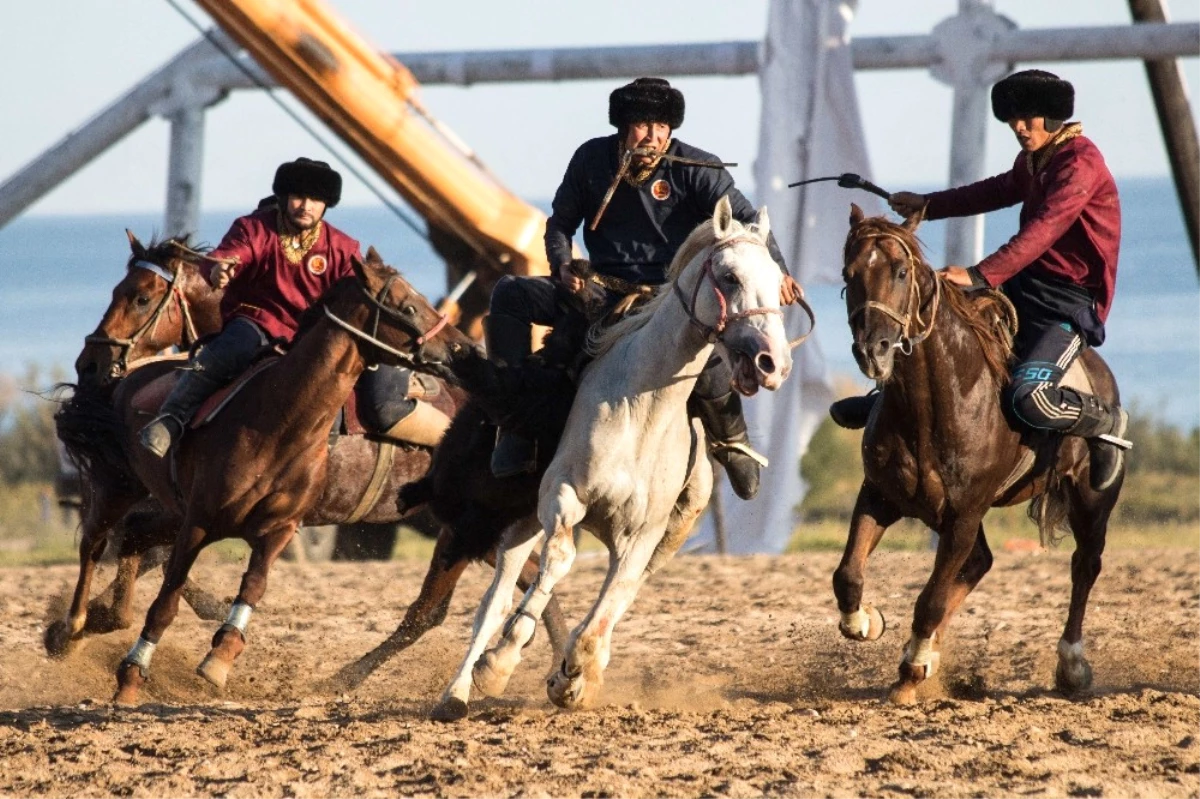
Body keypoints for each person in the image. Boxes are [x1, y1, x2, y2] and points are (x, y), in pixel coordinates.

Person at [485, 77, 802, 500]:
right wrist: (561, 266)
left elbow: (746, 224)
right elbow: (560, 224)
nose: (653, 137)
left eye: (662, 127)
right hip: (600, 292)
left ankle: (732, 441)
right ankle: (513, 420)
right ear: (623, 126)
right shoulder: (590, 160)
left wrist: (779, 273)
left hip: (667, 300)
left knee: (706, 359)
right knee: (508, 294)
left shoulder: (697, 169)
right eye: (643, 125)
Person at [830, 69, 1129, 491]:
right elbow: (996, 191)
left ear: (1053, 117)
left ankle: (1103, 421)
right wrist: (928, 205)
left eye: (1028, 119)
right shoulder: (1036, 159)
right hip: (1024, 287)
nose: (1019, 129)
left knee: (1029, 397)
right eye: (1013, 121)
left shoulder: (1080, 165)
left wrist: (978, 275)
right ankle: (886, 397)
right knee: (943, 328)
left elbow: (1042, 231)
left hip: (1070, 303)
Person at [139, 157, 446, 457]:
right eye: (299, 196)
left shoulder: (342, 246)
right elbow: (228, 255)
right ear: (284, 197)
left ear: (326, 204)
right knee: (230, 347)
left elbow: (358, 293)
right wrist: (218, 270)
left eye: (315, 199)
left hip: (314, 333)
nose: (306, 205)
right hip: (258, 322)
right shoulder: (253, 228)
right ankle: (171, 419)